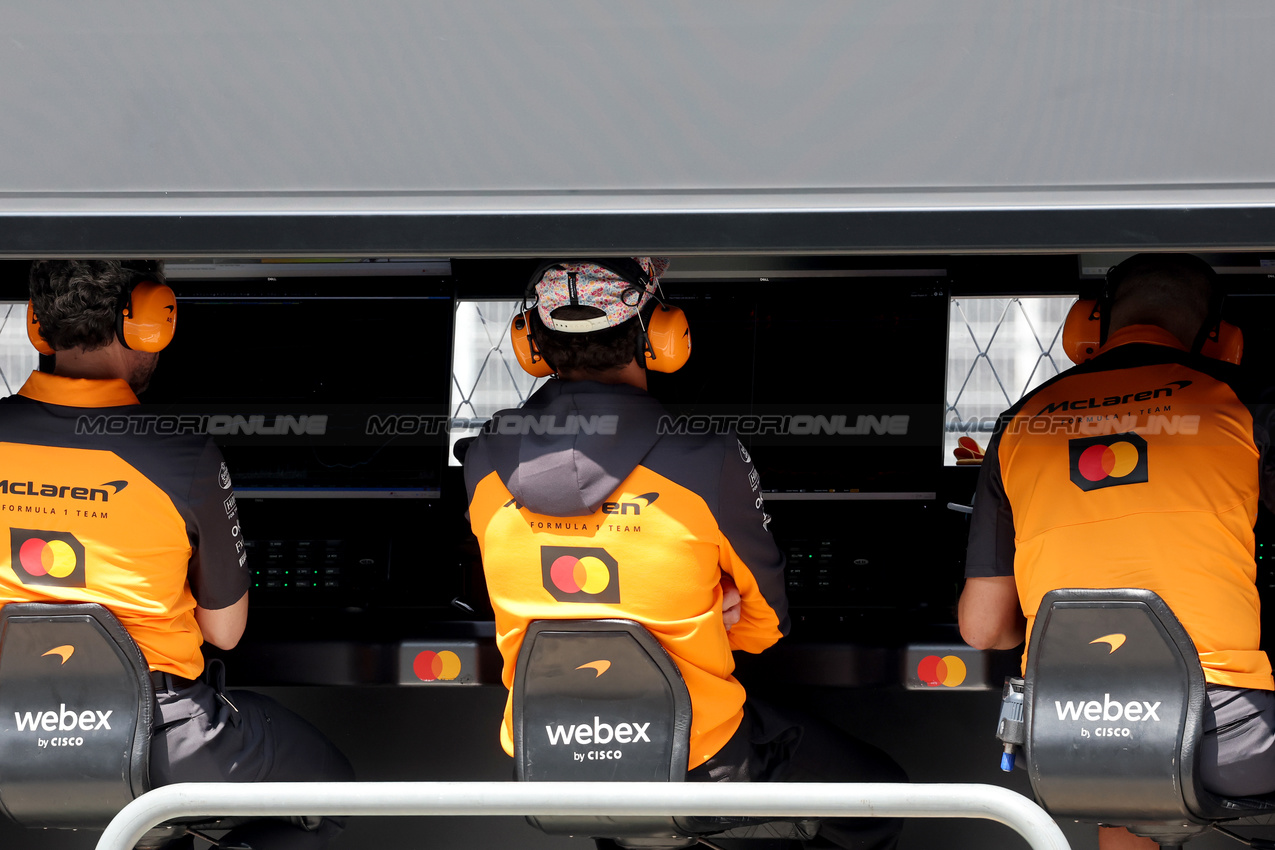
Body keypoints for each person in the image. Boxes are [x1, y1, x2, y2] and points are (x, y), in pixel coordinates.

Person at [463, 258, 905, 850]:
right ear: (662, 336)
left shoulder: (484, 461)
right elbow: (766, 627)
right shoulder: (707, 459)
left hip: (549, 761)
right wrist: (708, 614)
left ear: (531, 344)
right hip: (700, 760)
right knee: (881, 797)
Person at [1, 260, 353, 849]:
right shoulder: (183, 456)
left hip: (8, 729)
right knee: (336, 792)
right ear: (150, 319)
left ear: (37, 325)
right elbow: (226, 632)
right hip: (160, 739)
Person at [959, 253, 1275, 850]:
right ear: (1221, 340)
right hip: (1227, 741)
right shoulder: (1244, 404)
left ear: (1089, 326)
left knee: (1127, 773)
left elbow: (982, 629)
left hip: (1064, 743)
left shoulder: (1019, 423)